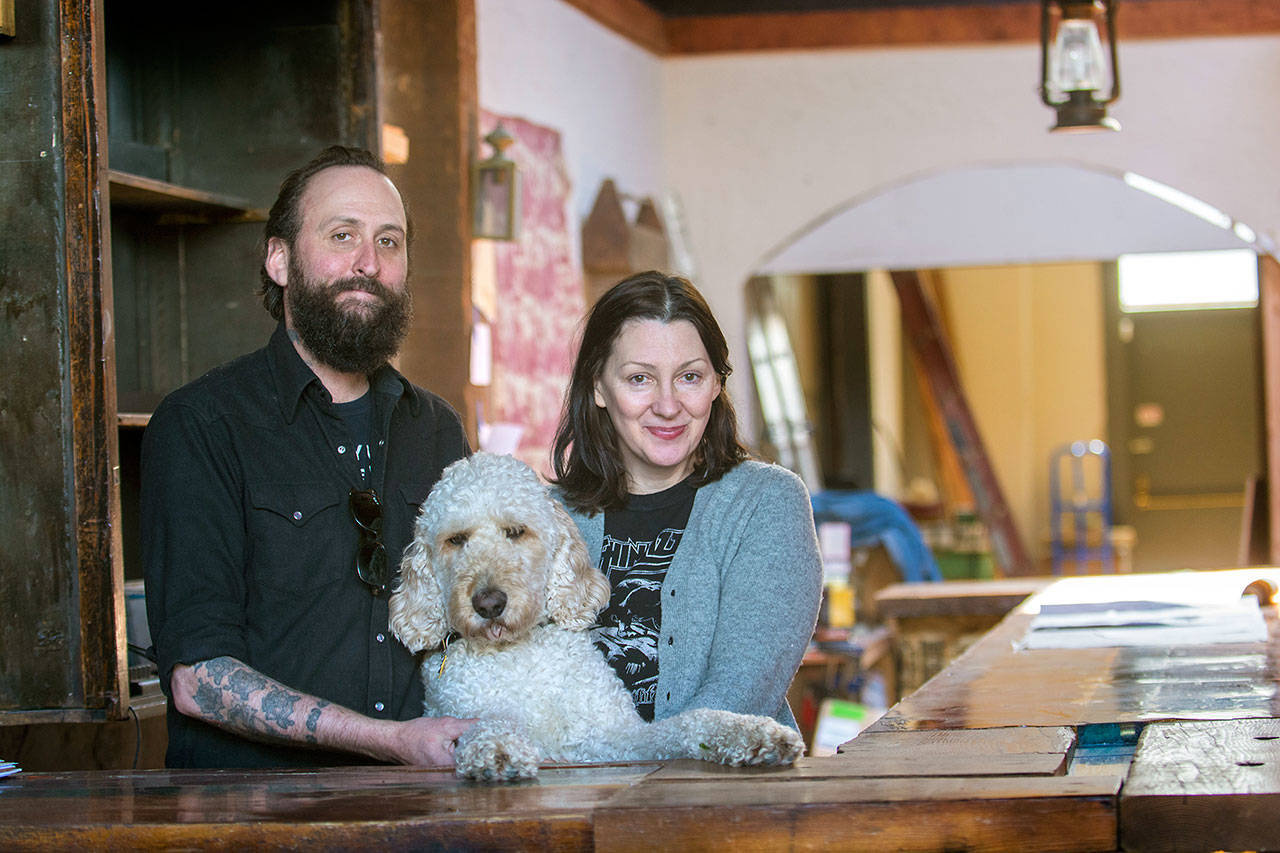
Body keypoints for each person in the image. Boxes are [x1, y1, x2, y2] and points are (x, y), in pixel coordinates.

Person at [141, 146, 474, 768]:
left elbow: (471, 623)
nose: (368, 263)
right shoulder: (201, 425)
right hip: (254, 818)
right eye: (342, 235)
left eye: (389, 241)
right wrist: (390, 741)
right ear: (279, 259)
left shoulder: (436, 429)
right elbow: (198, 680)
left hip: (418, 809)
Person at [550, 271, 822, 730]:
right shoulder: (546, 517)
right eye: (640, 379)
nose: (668, 405)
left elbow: (739, 697)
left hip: (721, 796)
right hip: (576, 797)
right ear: (598, 387)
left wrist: (630, 772)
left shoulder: (766, 504)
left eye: (689, 377)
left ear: (717, 384)